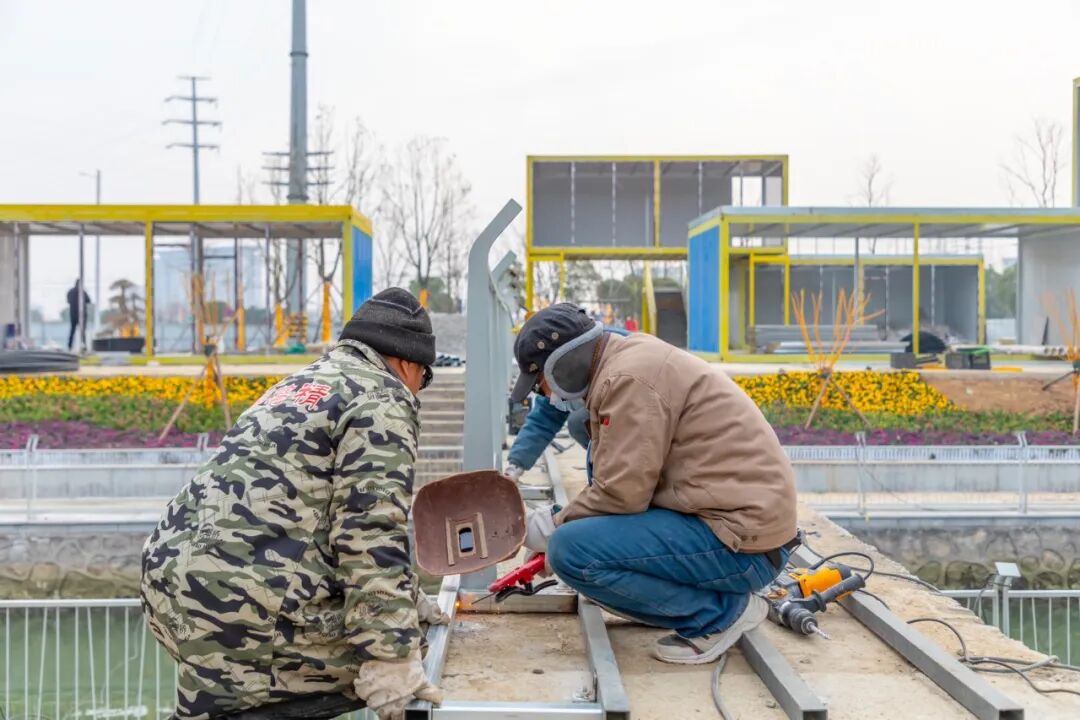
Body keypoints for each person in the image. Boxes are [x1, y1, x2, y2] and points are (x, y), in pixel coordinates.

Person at [141, 288, 446, 720]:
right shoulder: (384, 398)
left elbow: (314, 515)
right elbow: (369, 531)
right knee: (393, 655)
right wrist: (393, 656)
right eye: (424, 379)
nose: (418, 390)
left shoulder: (300, 383)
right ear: (407, 363)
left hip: (171, 585)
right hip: (243, 598)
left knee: (225, 699)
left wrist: (409, 597)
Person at [510, 303, 798, 665]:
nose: (546, 394)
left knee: (571, 551)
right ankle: (700, 604)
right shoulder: (625, 360)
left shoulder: (627, 380)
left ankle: (718, 616)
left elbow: (620, 493)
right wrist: (566, 523)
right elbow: (622, 484)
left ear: (564, 364)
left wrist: (552, 528)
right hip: (738, 529)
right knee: (575, 540)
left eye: (542, 384)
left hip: (742, 546)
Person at [504, 323, 628, 482]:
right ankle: (610, 472)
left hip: (642, 413)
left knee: (581, 421)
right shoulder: (563, 360)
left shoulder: (609, 352)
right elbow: (545, 416)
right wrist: (515, 466)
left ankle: (620, 474)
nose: (546, 393)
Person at [66, 279, 92, 351]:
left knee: (72, 330)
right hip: (82, 315)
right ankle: (83, 345)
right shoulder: (83, 292)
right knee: (82, 332)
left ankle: (70, 346)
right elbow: (88, 300)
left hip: (73, 314)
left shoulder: (70, 292)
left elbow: (68, 301)